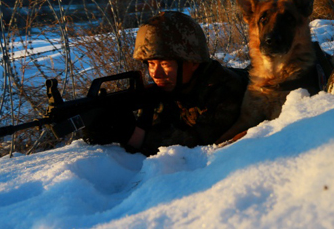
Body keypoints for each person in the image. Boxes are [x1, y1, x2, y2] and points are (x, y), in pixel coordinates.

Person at [82, 11, 247, 155]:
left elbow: (198, 144)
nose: (156, 73)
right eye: (151, 64)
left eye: (165, 64)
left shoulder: (224, 89)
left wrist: (130, 134)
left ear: (193, 62)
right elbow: (160, 124)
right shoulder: (171, 87)